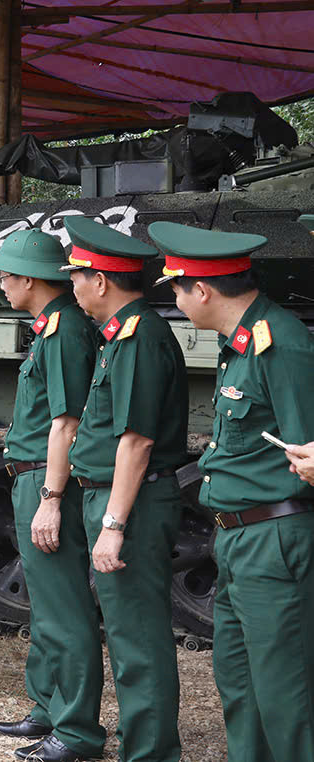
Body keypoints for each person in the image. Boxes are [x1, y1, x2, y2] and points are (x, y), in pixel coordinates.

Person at [148, 220, 314, 762]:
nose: (172, 296)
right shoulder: (238, 342)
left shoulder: (279, 341)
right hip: (239, 537)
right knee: (241, 686)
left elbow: (308, 449)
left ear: (203, 290)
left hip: (273, 537)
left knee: (286, 695)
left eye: (175, 286)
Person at [58, 216, 187, 762]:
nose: (72, 287)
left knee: (137, 638)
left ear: (101, 281)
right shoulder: (119, 335)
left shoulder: (138, 337)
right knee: (129, 634)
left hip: (128, 503)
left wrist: (112, 526)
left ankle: (152, 753)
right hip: (112, 497)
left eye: (76, 277)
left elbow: (135, 442)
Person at [0, 230, 104, 762]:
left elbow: (68, 422)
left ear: (29, 280)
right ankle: (48, 707)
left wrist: (52, 498)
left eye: (6, 276)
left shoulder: (63, 331)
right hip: (33, 474)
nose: (2, 285)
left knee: (65, 608)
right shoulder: (51, 328)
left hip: (47, 476)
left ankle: (76, 731)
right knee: (47, 604)